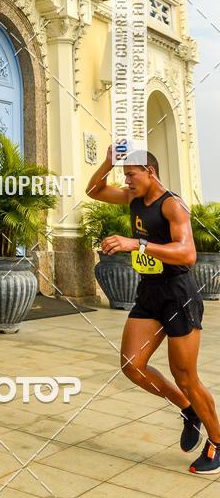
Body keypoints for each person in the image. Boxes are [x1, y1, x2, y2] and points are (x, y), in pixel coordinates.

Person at [86, 145, 220, 474]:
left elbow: (188, 255)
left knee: (185, 376)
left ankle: (217, 442)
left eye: (131, 175)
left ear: (150, 172)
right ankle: (188, 408)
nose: (127, 181)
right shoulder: (133, 197)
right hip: (149, 292)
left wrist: (137, 243)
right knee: (132, 365)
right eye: (125, 175)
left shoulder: (172, 205)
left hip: (178, 294)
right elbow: (93, 191)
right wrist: (107, 163)